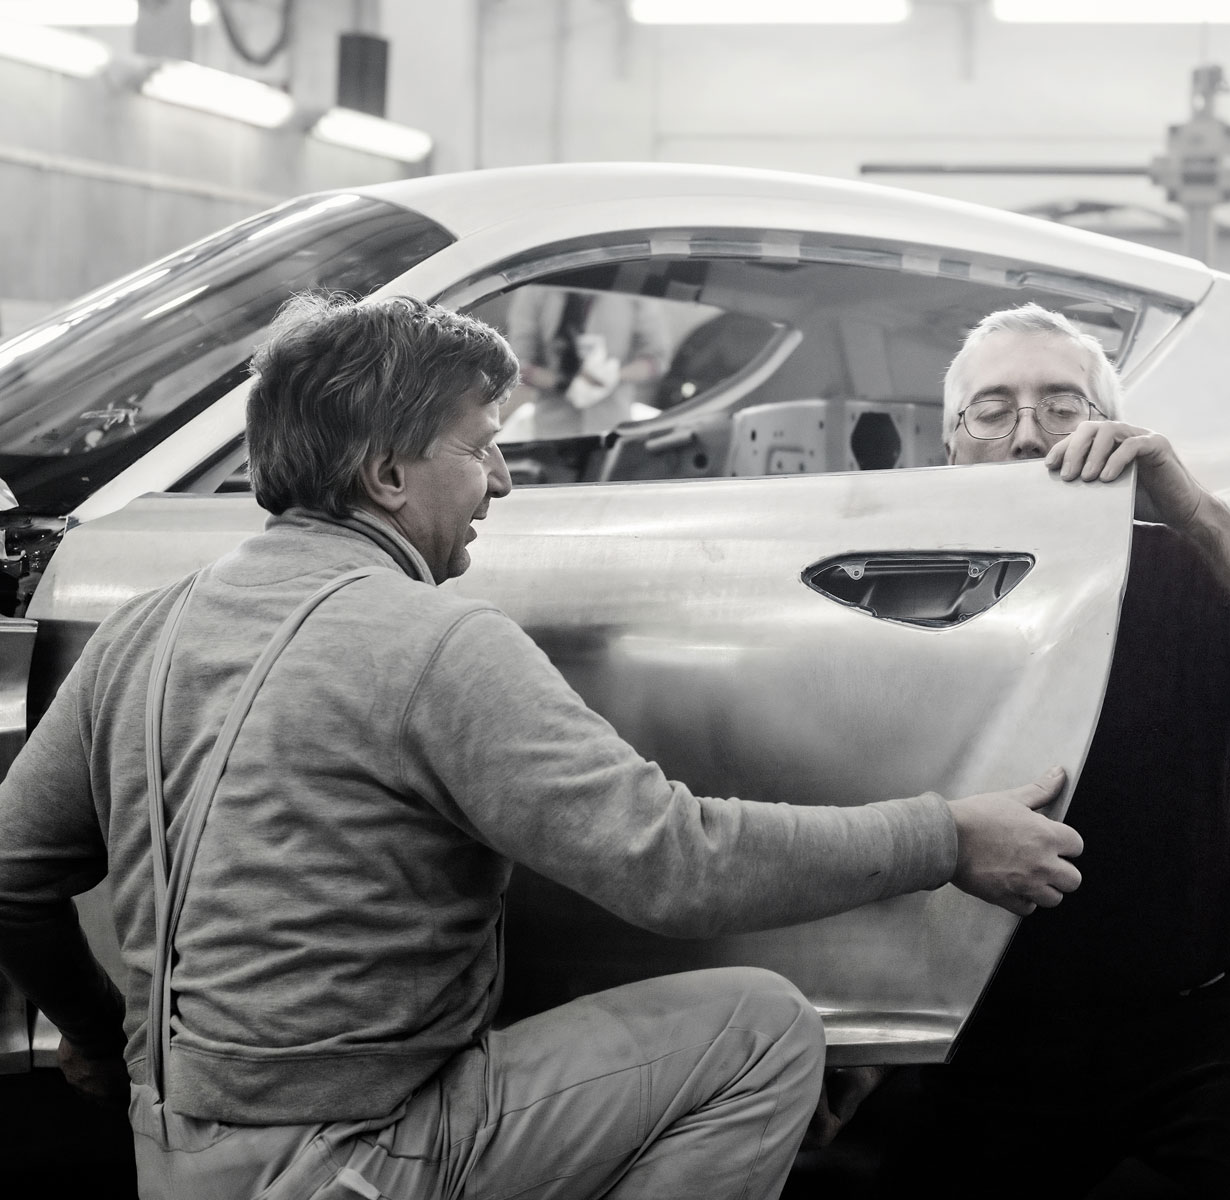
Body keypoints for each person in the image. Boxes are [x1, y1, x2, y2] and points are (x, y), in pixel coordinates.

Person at [0, 295, 1087, 1200]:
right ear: (387, 477)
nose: (506, 484)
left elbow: (13, 877)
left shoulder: (146, 626)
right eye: (481, 451)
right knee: (761, 1033)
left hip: (173, 1155)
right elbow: (677, 867)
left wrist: (99, 1037)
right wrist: (945, 836)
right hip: (356, 1165)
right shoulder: (435, 644)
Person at [838, 303, 1230, 1199]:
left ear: (1114, 432)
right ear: (949, 444)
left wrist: (1189, 507)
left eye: (1063, 407)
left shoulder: (1189, 571)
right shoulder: (892, 600)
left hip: (1203, 1016)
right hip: (982, 1026)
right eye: (992, 409)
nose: (1028, 435)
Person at [502, 286, 670, 439]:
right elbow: (517, 363)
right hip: (553, 431)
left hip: (613, 429)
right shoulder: (537, 288)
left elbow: (657, 358)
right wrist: (563, 383)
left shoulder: (632, 287)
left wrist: (614, 375)